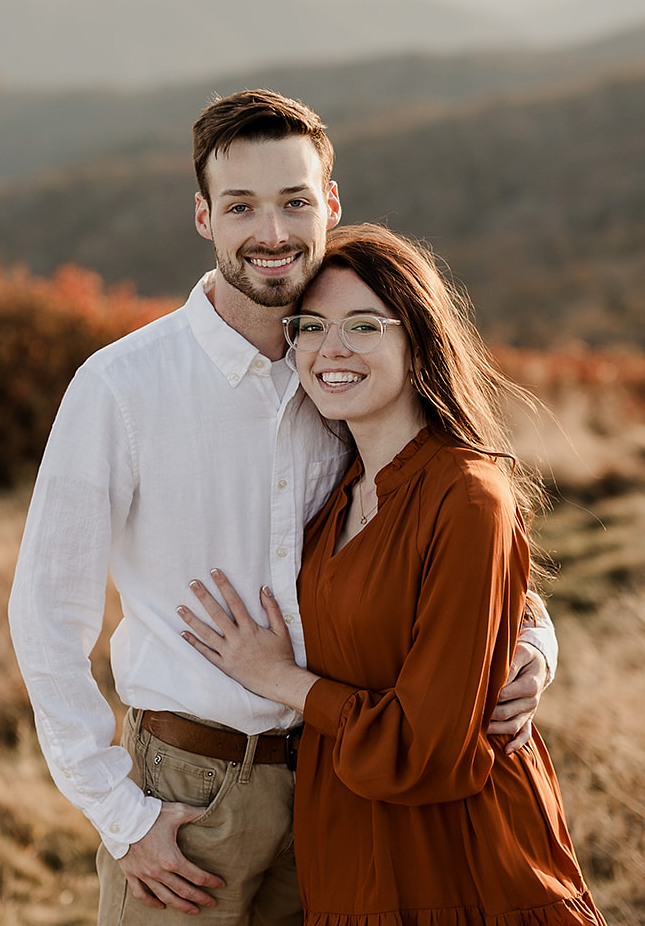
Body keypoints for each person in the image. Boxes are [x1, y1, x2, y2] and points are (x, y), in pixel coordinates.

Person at [7, 90, 559, 925]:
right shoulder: (122, 387)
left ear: (330, 204)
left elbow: (446, 541)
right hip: (191, 797)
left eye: (295, 201)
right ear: (204, 218)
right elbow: (48, 614)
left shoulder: (343, 380)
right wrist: (122, 816)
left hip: (342, 784)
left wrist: (530, 642)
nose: (272, 232)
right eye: (241, 207)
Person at [177, 223, 605, 924]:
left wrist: (277, 677)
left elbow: (427, 747)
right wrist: (534, 637)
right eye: (310, 327)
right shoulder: (334, 489)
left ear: (419, 340)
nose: (330, 349)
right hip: (352, 844)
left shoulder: (467, 495)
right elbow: (471, 605)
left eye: (363, 326)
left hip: (457, 854)